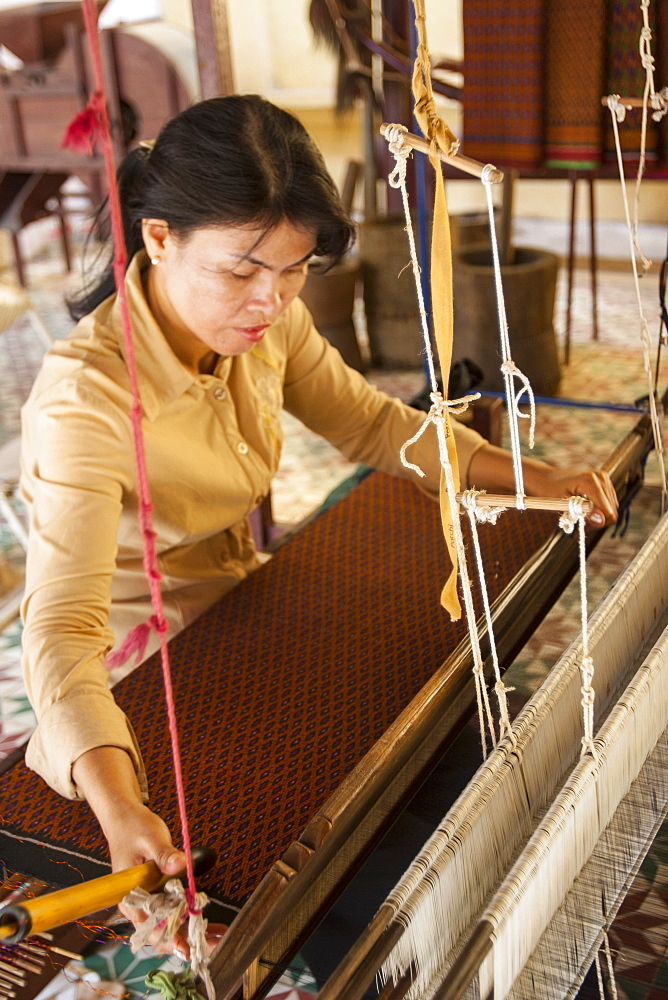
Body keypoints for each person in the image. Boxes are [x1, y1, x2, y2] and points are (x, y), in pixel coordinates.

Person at [19, 95, 617, 956]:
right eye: (243, 270)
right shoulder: (88, 399)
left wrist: (541, 479)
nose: (273, 299)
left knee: (483, 742)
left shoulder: (266, 321)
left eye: (295, 269)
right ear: (158, 239)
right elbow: (61, 629)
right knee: (383, 886)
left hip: (245, 608)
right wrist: (121, 809)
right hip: (140, 672)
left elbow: (377, 425)